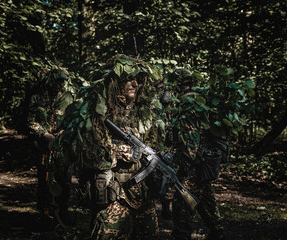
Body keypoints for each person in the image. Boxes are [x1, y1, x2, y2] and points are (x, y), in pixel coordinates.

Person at [58, 54, 164, 239]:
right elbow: (87, 154)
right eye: (128, 79)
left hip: (142, 194)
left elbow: (154, 146)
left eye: (137, 80)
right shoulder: (100, 115)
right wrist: (120, 152)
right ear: (115, 82)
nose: (134, 84)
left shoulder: (145, 115)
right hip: (115, 193)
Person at [169, 68, 230, 240]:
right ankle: (217, 229)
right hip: (204, 161)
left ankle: (183, 234)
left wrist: (184, 164)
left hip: (193, 163)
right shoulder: (200, 100)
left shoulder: (188, 102)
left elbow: (191, 136)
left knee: (182, 201)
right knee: (204, 196)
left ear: (179, 84)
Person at [27, 65, 78, 226]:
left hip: (63, 148)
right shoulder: (38, 97)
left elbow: (75, 119)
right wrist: (44, 134)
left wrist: (64, 132)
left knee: (65, 182)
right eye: (57, 81)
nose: (60, 85)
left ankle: (63, 214)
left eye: (62, 82)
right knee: (45, 181)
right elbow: (30, 121)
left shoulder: (69, 97)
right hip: (44, 148)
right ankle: (45, 214)